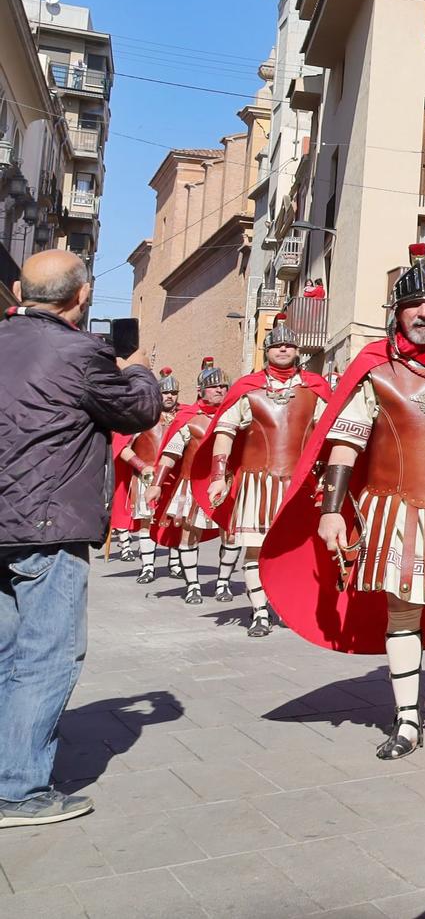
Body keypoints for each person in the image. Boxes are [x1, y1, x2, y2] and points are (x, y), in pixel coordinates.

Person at [260, 244, 425, 759]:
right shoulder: (374, 369)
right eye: (412, 305)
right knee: (403, 611)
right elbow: (346, 441)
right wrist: (332, 508)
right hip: (394, 507)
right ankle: (405, 720)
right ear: (397, 315)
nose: (423, 313)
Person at [0, 249, 160, 828]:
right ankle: (18, 790)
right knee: (46, 656)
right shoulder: (82, 352)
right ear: (83, 295)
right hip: (46, 526)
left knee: (5, 654)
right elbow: (139, 411)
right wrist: (136, 363)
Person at [196, 316, 332, 639]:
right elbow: (225, 432)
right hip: (258, 483)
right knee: (255, 549)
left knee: (298, 551)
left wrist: (328, 474)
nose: (283, 348)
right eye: (277, 345)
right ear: (267, 350)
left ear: (297, 350)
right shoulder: (248, 389)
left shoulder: (315, 389)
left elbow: (329, 435)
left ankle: (286, 605)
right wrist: (218, 475)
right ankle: (259, 611)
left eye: (288, 344)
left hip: (300, 485)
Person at [151, 359, 230, 604]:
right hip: (192, 483)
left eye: (224, 386)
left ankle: (223, 583)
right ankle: (193, 585)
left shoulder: (234, 416)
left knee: (231, 535)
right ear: (200, 390)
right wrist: (156, 483)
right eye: (214, 386)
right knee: (189, 534)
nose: (220, 390)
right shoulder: (188, 418)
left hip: (226, 482)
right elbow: (171, 452)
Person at [109, 368, 178, 575]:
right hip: (145, 477)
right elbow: (121, 446)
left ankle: (175, 564)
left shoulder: (184, 416)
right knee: (147, 520)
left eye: (173, 393)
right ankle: (147, 567)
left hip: (173, 477)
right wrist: (142, 466)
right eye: (165, 392)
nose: (169, 396)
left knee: (176, 520)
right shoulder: (144, 415)